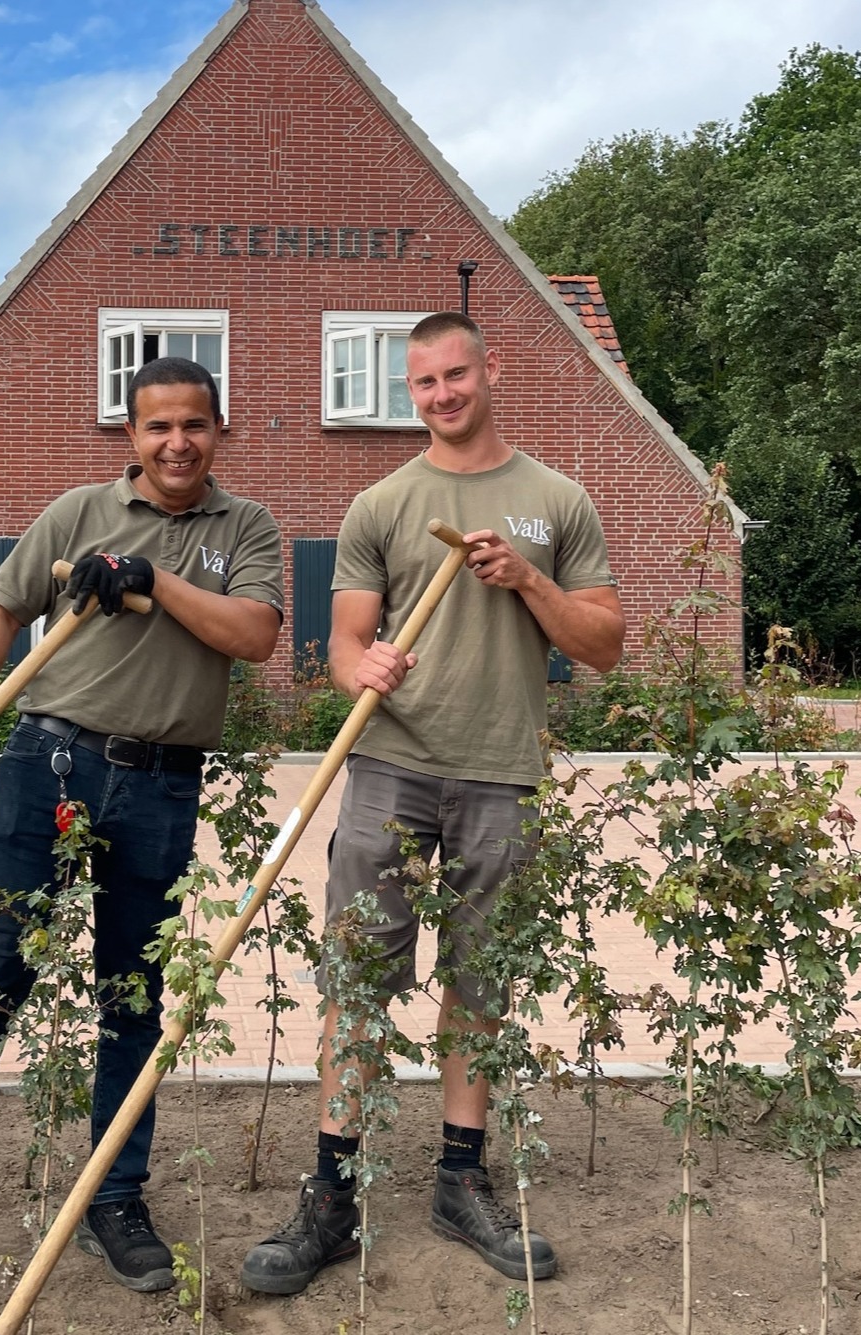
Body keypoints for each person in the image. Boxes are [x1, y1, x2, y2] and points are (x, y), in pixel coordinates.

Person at [0, 357, 283, 1306]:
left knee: (131, 996)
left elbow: (253, 635)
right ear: (130, 435)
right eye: (158, 426)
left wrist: (151, 580)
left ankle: (114, 1198)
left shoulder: (243, 526)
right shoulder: (74, 512)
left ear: (219, 430)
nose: (178, 442)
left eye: (196, 425)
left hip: (162, 786)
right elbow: (1, 607)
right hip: (47, 764)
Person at [240, 311, 624, 1295]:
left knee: (477, 984)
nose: (443, 395)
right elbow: (338, 649)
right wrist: (356, 663)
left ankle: (460, 1177)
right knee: (357, 983)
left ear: (490, 372)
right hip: (389, 771)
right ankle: (332, 1196)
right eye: (425, 384)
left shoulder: (556, 499)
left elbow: (604, 643)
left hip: (500, 774)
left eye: (457, 375)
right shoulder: (380, 504)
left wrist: (526, 579)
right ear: (409, 392)